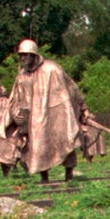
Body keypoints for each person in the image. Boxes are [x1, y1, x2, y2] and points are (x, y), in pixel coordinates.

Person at [7, 39, 86, 183]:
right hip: (35, 120)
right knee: (38, 146)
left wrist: (83, 108)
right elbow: (14, 99)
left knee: (65, 140)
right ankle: (44, 177)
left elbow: (71, 88)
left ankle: (69, 173)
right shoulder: (22, 76)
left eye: (26, 55)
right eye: (21, 55)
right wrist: (16, 113)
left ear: (34, 55)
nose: (23, 58)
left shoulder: (52, 69)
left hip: (57, 114)